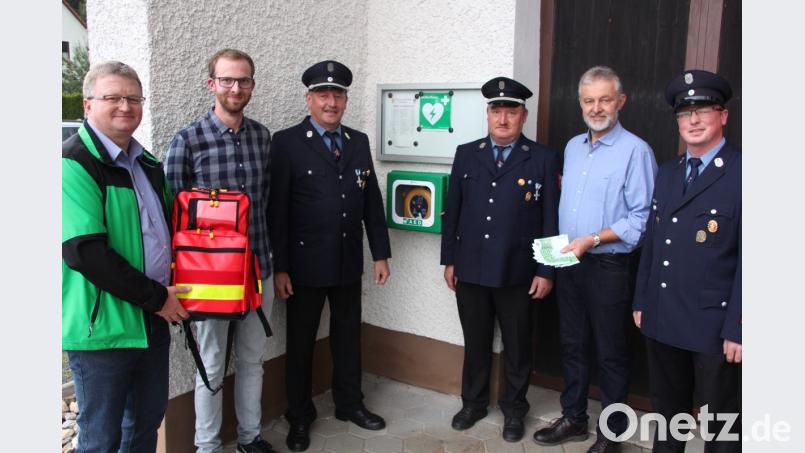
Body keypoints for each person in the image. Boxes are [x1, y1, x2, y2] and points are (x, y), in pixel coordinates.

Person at [62, 61, 190, 453]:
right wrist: (158, 298)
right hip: (104, 329)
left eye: (133, 98)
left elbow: (165, 236)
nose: (125, 106)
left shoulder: (148, 164)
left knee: (145, 425)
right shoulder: (74, 163)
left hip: (151, 320)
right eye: (113, 97)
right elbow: (86, 253)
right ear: (87, 105)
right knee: (101, 437)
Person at [532, 66, 658, 453]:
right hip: (570, 263)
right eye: (589, 100)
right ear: (580, 103)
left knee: (611, 352)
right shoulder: (571, 147)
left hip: (608, 266)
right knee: (571, 344)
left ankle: (612, 434)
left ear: (620, 101)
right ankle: (574, 418)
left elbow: (642, 218)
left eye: (605, 99)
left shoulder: (636, 151)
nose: (597, 107)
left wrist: (592, 239)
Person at [268, 60, 391, 452]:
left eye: (338, 94)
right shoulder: (286, 142)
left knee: (347, 337)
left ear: (346, 100)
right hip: (303, 267)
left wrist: (380, 254)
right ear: (309, 99)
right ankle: (299, 416)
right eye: (323, 94)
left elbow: (371, 201)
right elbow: (278, 211)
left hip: (346, 261)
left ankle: (349, 405)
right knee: (302, 344)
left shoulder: (357, 141)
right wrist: (281, 267)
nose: (331, 101)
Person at [165, 49, 275, 453]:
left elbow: (266, 204)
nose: (236, 87)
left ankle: (250, 438)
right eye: (227, 80)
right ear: (211, 84)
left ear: (252, 86)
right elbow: (173, 215)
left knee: (251, 361)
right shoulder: (188, 140)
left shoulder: (263, 138)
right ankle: (207, 447)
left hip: (259, 269)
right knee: (210, 365)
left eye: (243, 80)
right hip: (210, 280)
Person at [440, 76, 560, 442]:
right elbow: (453, 211)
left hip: (519, 272)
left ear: (524, 116)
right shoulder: (466, 153)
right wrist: (449, 260)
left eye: (511, 111)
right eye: (497, 110)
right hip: (472, 268)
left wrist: (548, 269)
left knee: (518, 345)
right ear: (488, 114)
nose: (503, 118)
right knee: (475, 340)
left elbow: (553, 218)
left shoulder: (542, 158)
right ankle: (473, 403)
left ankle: (514, 410)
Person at [632, 69, 741, 452]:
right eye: (684, 113)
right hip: (664, 315)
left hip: (714, 324)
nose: (693, 121)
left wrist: (740, 326)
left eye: (703, 110)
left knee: (721, 424)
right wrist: (642, 300)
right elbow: (653, 242)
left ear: (723, 116)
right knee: (668, 414)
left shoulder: (745, 174)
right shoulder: (667, 172)